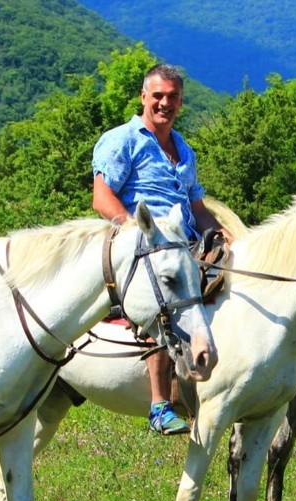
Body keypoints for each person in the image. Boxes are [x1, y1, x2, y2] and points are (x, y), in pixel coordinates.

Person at [91, 63, 227, 435]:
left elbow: (196, 208)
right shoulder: (123, 140)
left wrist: (223, 237)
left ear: (181, 102)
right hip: (141, 244)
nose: (164, 103)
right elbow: (101, 196)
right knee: (164, 298)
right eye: (158, 96)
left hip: (182, 245)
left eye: (172, 97)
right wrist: (133, 230)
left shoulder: (184, 149)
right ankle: (159, 405)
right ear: (144, 97)